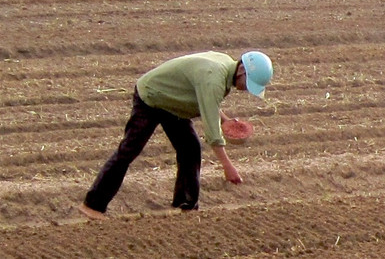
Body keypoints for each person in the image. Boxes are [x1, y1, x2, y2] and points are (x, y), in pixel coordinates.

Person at [77, 50, 273, 220]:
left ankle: (185, 205)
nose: (247, 89)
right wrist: (227, 166)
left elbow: (207, 102)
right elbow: (212, 131)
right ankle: (92, 205)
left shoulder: (223, 68)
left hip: (173, 104)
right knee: (129, 150)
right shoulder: (214, 76)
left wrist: (226, 120)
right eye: (248, 83)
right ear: (241, 70)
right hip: (152, 97)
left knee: (190, 148)